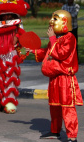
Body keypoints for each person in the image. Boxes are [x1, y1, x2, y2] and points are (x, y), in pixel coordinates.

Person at [33, 10, 82, 142]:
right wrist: (34, 51)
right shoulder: (57, 38)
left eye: (55, 19)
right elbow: (49, 52)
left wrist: (52, 38)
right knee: (54, 106)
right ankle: (55, 131)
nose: (51, 21)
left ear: (64, 22)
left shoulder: (70, 38)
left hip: (65, 78)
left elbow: (61, 54)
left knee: (67, 107)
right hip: (54, 77)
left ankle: (72, 136)